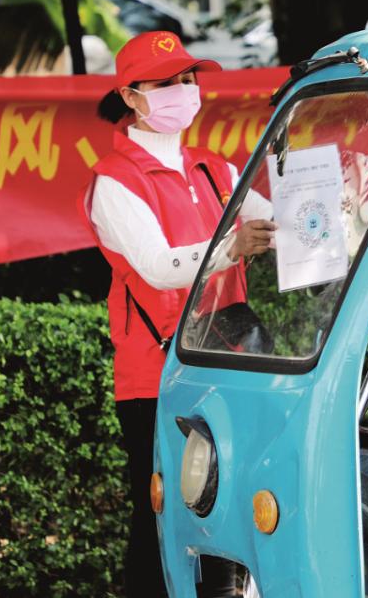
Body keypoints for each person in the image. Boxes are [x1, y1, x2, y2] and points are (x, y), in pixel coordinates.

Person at [85, 30, 275, 598]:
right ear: (132, 96)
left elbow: (284, 224)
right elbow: (156, 267)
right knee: (164, 522)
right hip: (158, 376)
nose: (185, 90)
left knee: (233, 510)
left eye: (190, 78)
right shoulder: (113, 182)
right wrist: (231, 246)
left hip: (228, 363)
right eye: (168, 83)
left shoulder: (216, 170)